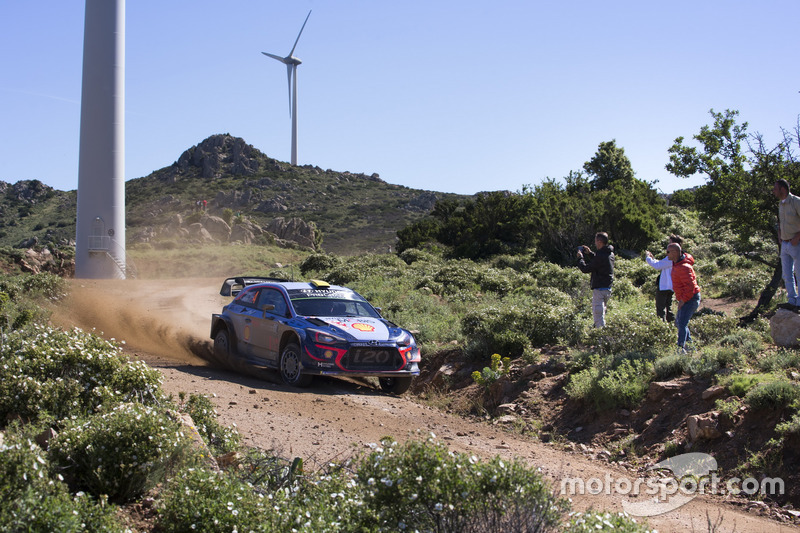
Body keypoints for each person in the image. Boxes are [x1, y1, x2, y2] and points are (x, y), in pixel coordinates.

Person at [577, 232, 615, 328]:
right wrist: (590, 254)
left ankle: (600, 339)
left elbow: (585, 269)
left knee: (598, 316)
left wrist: (580, 258)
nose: (595, 243)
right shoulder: (610, 254)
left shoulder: (600, 256)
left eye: (595, 241)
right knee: (601, 314)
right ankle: (599, 334)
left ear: (599, 241)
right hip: (607, 289)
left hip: (599, 290)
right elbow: (600, 262)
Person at [668, 242, 701, 350]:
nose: (666, 254)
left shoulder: (684, 267)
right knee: (679, 323)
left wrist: (683, 300)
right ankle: (690, 347)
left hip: (690, 299)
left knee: (681, 323)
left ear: (675, 252)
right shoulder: (677, 264)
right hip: (687, 298)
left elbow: (690, 287)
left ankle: (681, 348)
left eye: (668, 252)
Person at [644, 234, 684, 322]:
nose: (668, 245)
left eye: (670, 243)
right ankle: (672, 326)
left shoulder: (672, 258)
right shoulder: (679, 256)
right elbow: (661, 263)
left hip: (665, 285)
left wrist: (648, 257)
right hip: (672, 286)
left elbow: (657, 265)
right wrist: (653, 258)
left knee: (660, 308)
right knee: (668, 307)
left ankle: (662, 327)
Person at [773, 179, 800, 311]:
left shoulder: (796, 202)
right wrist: (779, 234)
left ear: (783, 189)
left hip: (796, 243)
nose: (773, 191)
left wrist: (797, 237)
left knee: (799, 273)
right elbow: (781, 222)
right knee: (787, 274)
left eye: (775, 188)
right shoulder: (781, 204)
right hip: (785, 243)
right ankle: (792, 300)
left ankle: (799, 302)